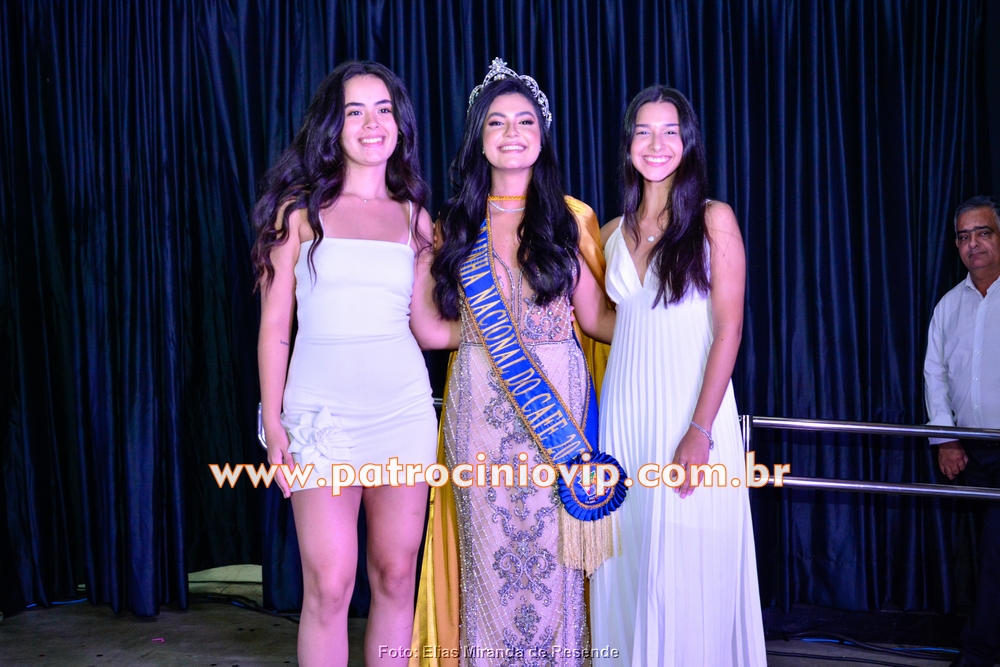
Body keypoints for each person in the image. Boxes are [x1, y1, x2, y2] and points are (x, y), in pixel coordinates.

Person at [252, 60, 451, 667]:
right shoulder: (298, 213)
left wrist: (508, 330)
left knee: (395, 575)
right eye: (355, 111)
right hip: (321, 417)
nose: (372, 124)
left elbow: (427, 327)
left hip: (402, 413)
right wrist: (274, 422)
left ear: (400, 124)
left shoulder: (416, 218)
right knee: (330, 585)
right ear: (332, 126)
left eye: (383, 109)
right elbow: (275, 329)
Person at [427, 58, 620, 666]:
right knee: (491, 561)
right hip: (480, 410)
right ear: (478, 138)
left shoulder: (571, 217)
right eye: (496, 122)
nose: (512, 132)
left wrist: (673, 329)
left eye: (525, 121)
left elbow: (597, 319)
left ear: (542, 133)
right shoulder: (455, 224)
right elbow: (432, 331)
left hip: (556, 414)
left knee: (556, 563)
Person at [589, 86, 766, 666]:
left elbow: (729, 330)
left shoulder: (714, 219)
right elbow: (616, 323)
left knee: (687, 570)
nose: (656, 143)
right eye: (643, 131)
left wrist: (700, 429)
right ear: (628, 145)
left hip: (689, 415)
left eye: (670, 131)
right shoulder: (611, 231)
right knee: (630, 561)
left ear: (688, 142)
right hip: (625, 416)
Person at [924, 196, 1000, 667]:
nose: (974, 244)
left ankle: (977, 653)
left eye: (983, 232)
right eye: (964, 236)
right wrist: (946, 439)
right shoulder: (948, 306)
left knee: (994, 551)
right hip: (973, 450)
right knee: (981, 553)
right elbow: (935, 376)